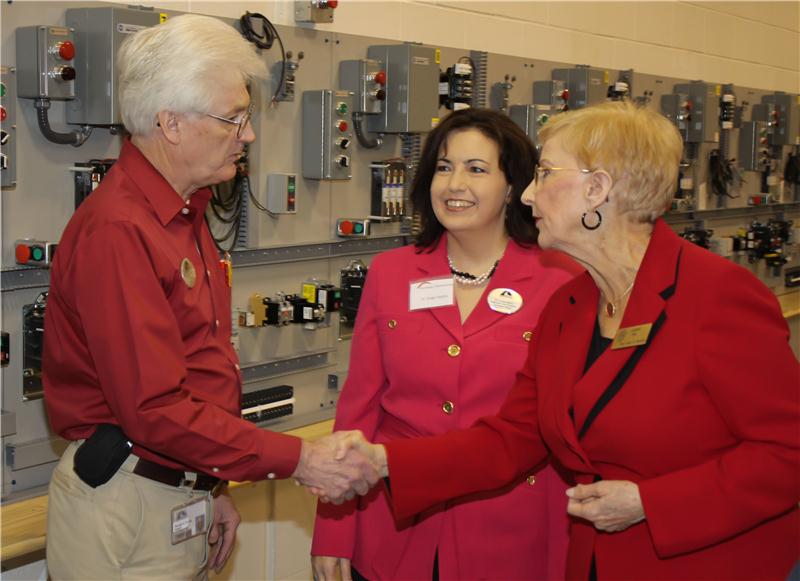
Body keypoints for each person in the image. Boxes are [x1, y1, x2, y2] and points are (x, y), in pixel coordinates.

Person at [333, 101, 800, 580]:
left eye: (546, 174)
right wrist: (386, 460)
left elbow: (788, 452)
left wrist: (651, 504)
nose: (529, 195)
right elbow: (513, 438)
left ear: (596, 189)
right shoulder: (570, 307)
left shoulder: (717, 296)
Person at [42, 14, 377, 581]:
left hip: (176, 487)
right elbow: (154, 410)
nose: (247, 134)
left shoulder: (183, 214)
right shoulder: (121, 230)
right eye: (234, 118)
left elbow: (197, 371)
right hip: (128, 507)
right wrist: (302, 459)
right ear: (170, 123)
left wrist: (211, 485)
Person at [311, 108, 579, 581]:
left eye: (476, 169)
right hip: (395, 529)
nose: (454, 184)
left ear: (513, 186)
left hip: (511, 533)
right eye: (443, 167)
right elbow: (358, 411)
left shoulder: (561, 280)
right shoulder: (391, 273)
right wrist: (333, 530)